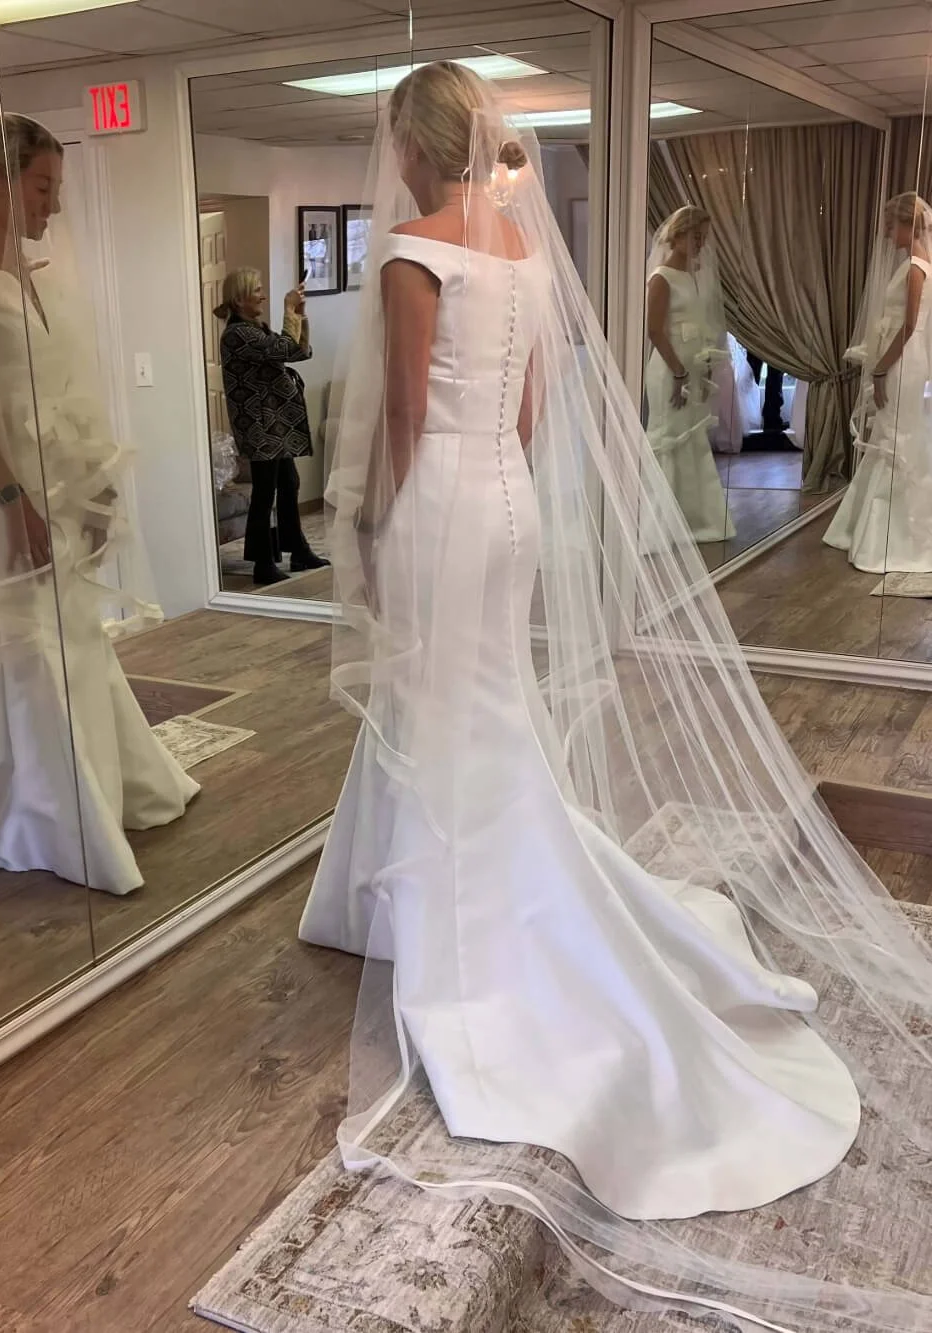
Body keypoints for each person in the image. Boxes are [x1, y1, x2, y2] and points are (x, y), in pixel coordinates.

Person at [297, 62, 932, 1331]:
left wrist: (359, 521)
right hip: (509, 512)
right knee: (480, 708)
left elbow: (407, 415)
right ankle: (395, 890)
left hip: (435, 514)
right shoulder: (521, 254)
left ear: (410, 147)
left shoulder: (416, 250)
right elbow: (527, 412)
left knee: (448, 710)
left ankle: (466, 930)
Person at [0, 114, 198, 894]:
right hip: (0, 487)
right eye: (44, 186)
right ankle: (45, 810)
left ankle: (98, 787)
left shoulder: (30, 273)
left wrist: (95, 480)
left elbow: (65, 387)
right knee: (25, 645)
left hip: (56, 481)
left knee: (74, 632)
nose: (54, 205)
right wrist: (14, 497)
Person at [824, 191, 932, 573]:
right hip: (901, 359)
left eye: (891, 224)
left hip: (901, 363)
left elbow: (909, 326)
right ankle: (876, 530)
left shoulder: (917, 267)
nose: (887, 233)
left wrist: (883, 369)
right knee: (892, 437)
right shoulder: (915, 264)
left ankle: (894, 540)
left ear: (908, 224)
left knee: (895, 440)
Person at [215, 269, 329, 586]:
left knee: (288, 482)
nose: (262, 295)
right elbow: (281, 349)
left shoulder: (255, 329)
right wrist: (287, 309)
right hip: (260, 424)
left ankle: (299, 551)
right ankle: (263, 563)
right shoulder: (238, 334)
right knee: (265, 492)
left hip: (274, 423)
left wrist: (298, 315)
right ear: (239, 299)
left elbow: (297, 351)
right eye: (257, 290)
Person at [645, 206, 734, 542]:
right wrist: (680, 372)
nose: (700, 243)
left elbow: (702, 323)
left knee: (692, 440)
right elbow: (654, 330)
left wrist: (703, 364)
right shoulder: (662, 278)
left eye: (704, 238)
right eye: (696, 236)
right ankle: (658, 525)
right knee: (669, 438)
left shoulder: (694, 276)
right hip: (670, 370)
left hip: (692, 368)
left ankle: (693, 519)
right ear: (678, 235)